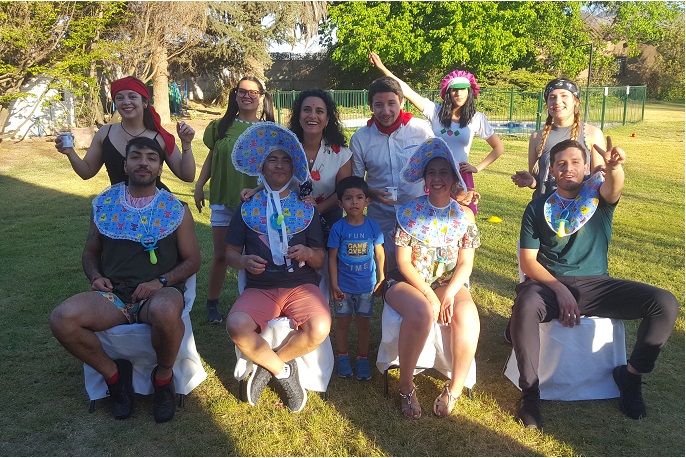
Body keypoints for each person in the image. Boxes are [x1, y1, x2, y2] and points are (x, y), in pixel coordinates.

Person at [511, 137, 678, 429]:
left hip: (596, 285)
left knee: (664, 302)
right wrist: (560, 290)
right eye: (561, 163)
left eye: (575, 162)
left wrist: (614, 168)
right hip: (549, 286)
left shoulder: (598, 199)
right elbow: (528, 262)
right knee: (524, 305)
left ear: (586, 166)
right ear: (552, 170)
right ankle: (530, 393)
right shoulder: (538, 208)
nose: (568, 168)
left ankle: (631, 377)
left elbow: (614, 186)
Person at [49, 136, 201, 423]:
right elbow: (90, 253)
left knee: (165, 310)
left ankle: (163, 378)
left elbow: (193, 260)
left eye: (151, 158)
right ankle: (115, 377)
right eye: (136, 157)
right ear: (125, 165)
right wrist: (95, 276)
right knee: (62, 319)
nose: (143, 162)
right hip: (113, 297)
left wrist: (160, 282)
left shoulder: (176, 209)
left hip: (158, 293)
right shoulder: (105, 205)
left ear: (160, 168)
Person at [224, 122, 331, 413]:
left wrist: (308, 252)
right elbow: (230, 254)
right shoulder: (247, 207)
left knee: (320, 326)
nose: (279, 165)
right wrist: (243, 261)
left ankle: (268, 365)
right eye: (273, 159)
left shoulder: (306, 208)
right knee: (236, 325)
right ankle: (283, 371)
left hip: (301, 286)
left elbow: (321, 259)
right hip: (261, 288)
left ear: (293, 167)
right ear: (262, 166)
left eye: (285, 160)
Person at [384, 138, 481, 420]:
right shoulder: (409, 212)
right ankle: (406, 386)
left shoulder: (464, 216)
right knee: (422, 311)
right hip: (408, 281)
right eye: (432, 173)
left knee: (468, 315)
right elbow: (403, 263)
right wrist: (428, 294)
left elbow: (465, 263)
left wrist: (449, 294)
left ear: (454, 178)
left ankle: (455, 388)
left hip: (447, 282)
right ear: (424, 178)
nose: (437, 178)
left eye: (444, 172)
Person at [370, 52, 504, 214]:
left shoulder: (477, 118)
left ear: (470, 91)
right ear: (447, 92)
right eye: (454, 90)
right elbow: (406, 90)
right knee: (431, 217)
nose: (459, 94)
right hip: (434, 176)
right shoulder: (435, 112)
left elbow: (498, 148)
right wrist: (382, 67)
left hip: (460, 177)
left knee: (462, 217)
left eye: (463, 89)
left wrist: (476, 168)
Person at [194, 76, 275, 323]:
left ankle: (254, 303)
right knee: (221, 254)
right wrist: (199, 185)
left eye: (253, 92)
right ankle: (212, 303)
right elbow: (212, 157)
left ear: (261, 97)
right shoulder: (220, 126)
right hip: (223, 198)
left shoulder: (269, 130)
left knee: (254, 255)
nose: (247, 96)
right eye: (242, 91)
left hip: (255, 202)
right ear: (235, 95)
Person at [350, 76, 433, 274]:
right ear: (371, 106)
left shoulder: (420, 130)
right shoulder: (360, 139)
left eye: (391, 103)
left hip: (418, 213)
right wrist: (372, 193)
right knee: (384, 270)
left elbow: (435, 167)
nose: (385, 111)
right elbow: (355, 182)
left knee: (419, 268)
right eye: (378, 105)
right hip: (381, 217)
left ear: (402, 102)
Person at [55, 76, 196, 189]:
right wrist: (70, 152)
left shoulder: (159, 137)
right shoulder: (104, 133)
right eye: (120, 98)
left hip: (155, 207)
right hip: (117, 207)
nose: (126, 102)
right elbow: (86, 172)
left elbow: (188, 176)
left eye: (132, 96)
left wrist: (186, 144)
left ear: (145, 103)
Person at [327, 176, 385, 380]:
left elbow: (379, 253)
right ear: (340, 203)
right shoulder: (338, 228)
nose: (354, 202)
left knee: (363, 324)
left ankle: (362, 358)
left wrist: (382, 277)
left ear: (367, 201)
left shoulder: (373, 227)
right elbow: (332, 258)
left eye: (359, 197)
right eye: (348, 198)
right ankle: (343, 356)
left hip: (366, 287)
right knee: (343, 322)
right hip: (343, 287)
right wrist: (334, 283)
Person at [511, 78, 605, 199]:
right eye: (552, 97)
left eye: (564, 96)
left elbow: (598, 180)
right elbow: (537, 181)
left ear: (576, 102)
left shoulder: (592, 134)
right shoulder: (536, 137)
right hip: (543, 208)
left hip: (578, 208)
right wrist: (530, 181)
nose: (557, 101)